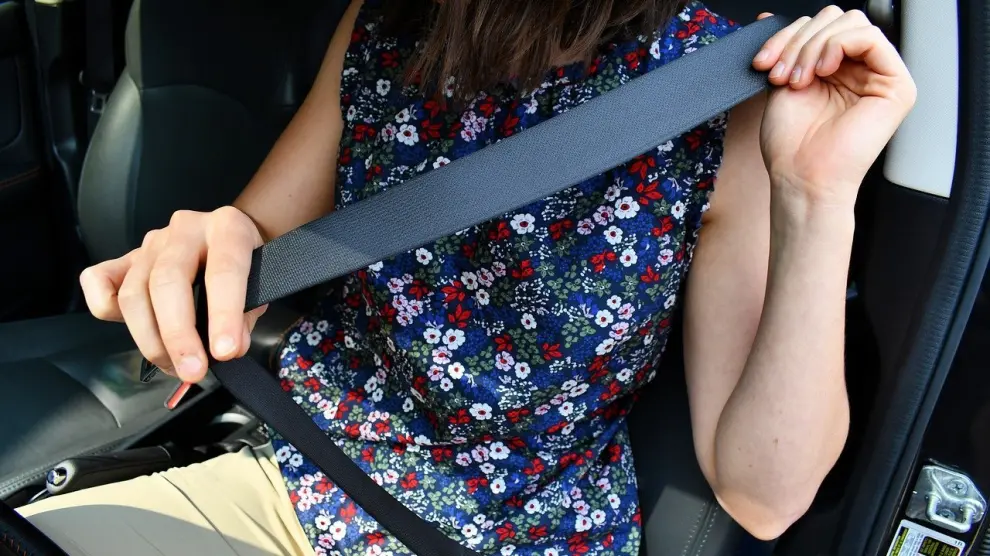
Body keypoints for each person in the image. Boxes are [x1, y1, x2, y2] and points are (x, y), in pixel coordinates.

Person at [18, 0, 917, 554]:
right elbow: (252, 240)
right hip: (295, 482)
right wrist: (202, 246)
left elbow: (764, 499)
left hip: (511, 537)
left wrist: (817, 194)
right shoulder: (386, 23)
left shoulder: (716, 96)